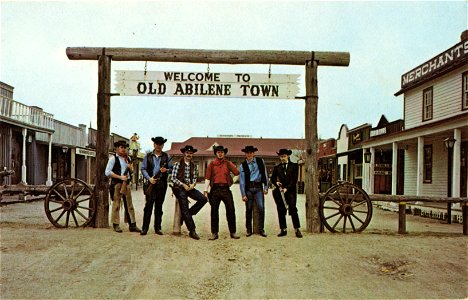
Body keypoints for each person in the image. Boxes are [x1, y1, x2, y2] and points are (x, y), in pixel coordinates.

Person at [204, 145, 241, 240]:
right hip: (215, 190)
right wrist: (205, 190)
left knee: (231, 210)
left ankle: (233, 232)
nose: (220, 154)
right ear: (216, 153)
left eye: (222, 152)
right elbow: (207, 178)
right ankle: (214, 233)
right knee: (214, 211)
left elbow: (237, 173)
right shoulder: (211, 164)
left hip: (226, 189)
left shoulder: (228, 163)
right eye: (218, 152)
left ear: (224, 153)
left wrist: (231, 182)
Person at [171, 145, 207, 240]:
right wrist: (183, 185)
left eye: (190, 153)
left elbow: (195, 177)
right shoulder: (177, 164)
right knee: (184, 206)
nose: (189, 155)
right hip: (180, 188)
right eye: (187, 153)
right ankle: (192, 230)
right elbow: (173, 178)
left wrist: (193, 184)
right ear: (184, 153)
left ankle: (188, 214)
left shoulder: (193, 165)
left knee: (203, 199)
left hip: (189, 187)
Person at [105, 140, 141, 233]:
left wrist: (130, 168)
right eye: (121, 147)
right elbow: (107, 172)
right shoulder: (113, 158)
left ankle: (132, 224)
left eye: (125, 147)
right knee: (116, 204)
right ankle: (116, 224)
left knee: (129, 205)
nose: (124, 149)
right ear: (116, 149)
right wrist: (120, 177)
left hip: (127, 184)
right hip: (117, 184)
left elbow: (132, 172)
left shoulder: (128, 158)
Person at [140, 136, 172, 236]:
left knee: (159, 206)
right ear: (154, 144)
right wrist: (149, 178)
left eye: (160, 144)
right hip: (150, 183)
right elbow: (143, 169)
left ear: (163, 145)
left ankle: (157, 228)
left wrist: (165, 170)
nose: (158, 146)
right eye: (157, 144)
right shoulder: (147, 156)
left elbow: (172, 169)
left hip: (161, 184)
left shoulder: (167, 156)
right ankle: (144, 228)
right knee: (148, 206)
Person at [270, 149, 303, 238]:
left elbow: (294, 180)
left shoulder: (294, 166)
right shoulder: (277, 167)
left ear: (288, 156)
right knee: (281, 209)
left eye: (284, 156)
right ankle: (283, 229)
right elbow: (272, 179)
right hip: (280, 192)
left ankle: (297, 229)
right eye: (281, 156)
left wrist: (287, 188)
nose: (283, 158)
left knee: (293, 209)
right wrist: (276, 183)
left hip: (290, 191)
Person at [239, 145, 269, 237]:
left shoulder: (260, 161)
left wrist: (266, 187)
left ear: (253, 153)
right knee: (248, 209)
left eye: (251, 152)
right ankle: (248, 229)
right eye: (247, 153)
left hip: (258, 188)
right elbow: (242, 181)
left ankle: (261, 229)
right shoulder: (243, 165)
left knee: (261, 207)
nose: (249, 154)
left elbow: (265, 175)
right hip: (248, 189)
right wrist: (243, 194)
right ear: (245, 154)